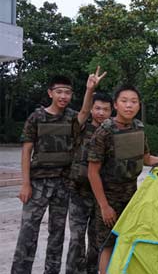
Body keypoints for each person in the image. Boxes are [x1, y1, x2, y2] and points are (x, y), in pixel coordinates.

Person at [11, 68, 106, 274]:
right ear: (50, 93)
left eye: (68, 92)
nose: (64, 96)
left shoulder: (72, 118)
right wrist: (25, 183)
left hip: (63, 185)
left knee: (57, 234)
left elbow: (84, 113)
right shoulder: (36, 117)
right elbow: (26, 151)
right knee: (28, 233)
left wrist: (90, 90)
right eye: (59, 92)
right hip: (37, 184)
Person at [87, 85, 158, 274]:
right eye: (124, 101)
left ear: (139, 105)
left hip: (131, 197)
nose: (129, 106)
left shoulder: (139, 128)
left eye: (134, 102)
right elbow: (92, 172)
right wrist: (104, 207)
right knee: (107, 245)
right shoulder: (104, 131)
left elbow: (146, 158)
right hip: (109, 198)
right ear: (115, 105)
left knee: (129, 240)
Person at [66, 92, 113, 274]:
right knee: (76, 239)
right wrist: (88, 89)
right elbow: (83, 111)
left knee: (96, 240)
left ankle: (92, 270)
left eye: (105, 109)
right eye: (98, 108)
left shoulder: (112, 132)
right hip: (78, 192)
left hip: (100, 196)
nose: (101, 112)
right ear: (92, 109)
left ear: (111, 111)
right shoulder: (81, 128)